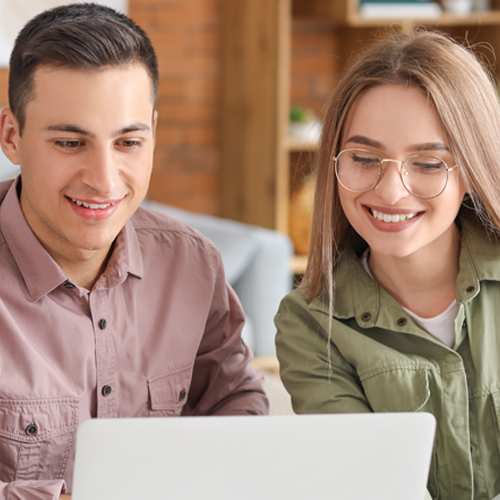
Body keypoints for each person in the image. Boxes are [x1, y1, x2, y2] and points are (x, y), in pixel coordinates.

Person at [0, 3, 268, 499]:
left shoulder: (192, 264)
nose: (103, 181)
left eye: (127, 142)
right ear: (12, 137)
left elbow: (233, 398)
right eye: (69, 143)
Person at [275, 30, 500, 500]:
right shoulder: (310, 325)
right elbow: (372, 488)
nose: (391, 191)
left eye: (429, 163)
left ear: (472, 171)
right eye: (364, 157)